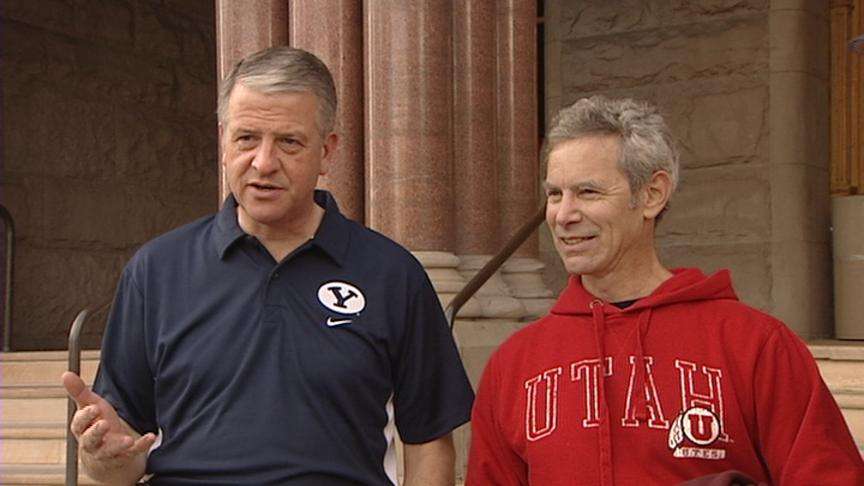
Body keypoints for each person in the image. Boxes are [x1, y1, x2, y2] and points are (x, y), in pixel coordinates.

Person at [62, 46, 474, 485]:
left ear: (327, 151)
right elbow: (125, 460)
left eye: (289, 142)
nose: (263, 162)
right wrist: (106, 458)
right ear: (223, 140)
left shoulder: (393, 274)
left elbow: (429, 443)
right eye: (246, 138)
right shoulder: (156, 272)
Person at [466, 96, 864, 485]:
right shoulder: (514, 364)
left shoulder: (756, 346)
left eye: (588, 192)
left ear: (652, 194)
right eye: (555, 194)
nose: (563, 215)